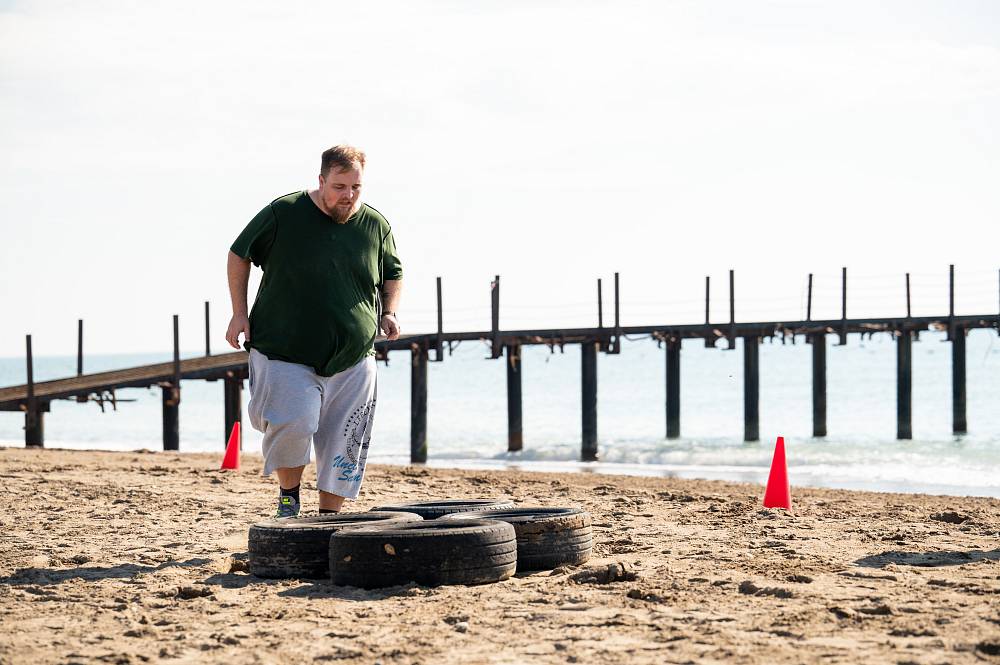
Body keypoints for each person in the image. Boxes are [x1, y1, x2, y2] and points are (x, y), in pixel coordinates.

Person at [225, 145, 402, 518]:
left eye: (355, 187)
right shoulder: (284, 213)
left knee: (346, 438)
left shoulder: (375, 225)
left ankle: (328, 518)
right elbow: (239, 254)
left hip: (354, 356)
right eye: (339, 186)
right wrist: (239, 313)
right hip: (284, 349)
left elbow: (393, 273)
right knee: (294, 422)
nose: (348, 195)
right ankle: (289, 498)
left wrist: (389, 312)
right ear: (321, 181)